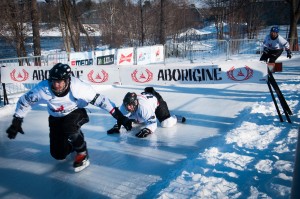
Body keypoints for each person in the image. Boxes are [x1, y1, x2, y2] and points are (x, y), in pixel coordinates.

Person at [6, 63, 132, 172]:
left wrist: (120, 117)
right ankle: (73, 140)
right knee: (58, 155)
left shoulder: (78, 87)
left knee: (69, 127)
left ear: (67, 80)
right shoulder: (43, 88)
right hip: (55, 117)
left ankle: (82, 152)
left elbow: (101, 101)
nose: (56, 85)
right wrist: (17, 120)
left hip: (76, 112)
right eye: (53, 81)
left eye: (59, 81)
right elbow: (25, 101)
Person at [107, 87, 186, 138]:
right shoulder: (124, 107)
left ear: (135, 103)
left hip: (156, 101)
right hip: (143, 102)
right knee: (131, 121)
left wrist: (147, 130)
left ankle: (174, 118)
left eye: (130, 105)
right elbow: (121, 118)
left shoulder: (143, 107)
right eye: (127, 105)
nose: (128, 107)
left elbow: (153, 123)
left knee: (166, 123)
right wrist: (117, 126)